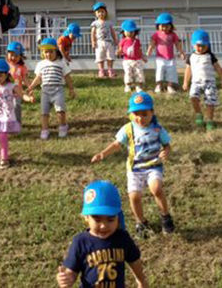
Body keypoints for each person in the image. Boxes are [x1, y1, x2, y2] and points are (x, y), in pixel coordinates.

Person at [91, 92, 175, 238]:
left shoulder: (157, 129)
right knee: (134, 196)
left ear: (152, 113)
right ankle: (141, 222)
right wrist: (103, 153)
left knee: (156, 188)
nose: (140, 118)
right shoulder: (128, 129)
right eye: (136, 114)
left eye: (144, 114)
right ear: (130, 114)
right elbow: (117, 144)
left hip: (153, 166)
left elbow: (167, 145)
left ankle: (165, 216)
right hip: (135, 169)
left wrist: (166, 152)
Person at [56, 180, 148, 288]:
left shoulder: (122, 238)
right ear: (86, 217)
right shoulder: (81, 242)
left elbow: (134, 261)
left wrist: (141, 280)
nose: (103, 226)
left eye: (110, 220)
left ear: (118, 218)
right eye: (97, 220)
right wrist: (67, 279)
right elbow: (72, 272)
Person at [27, 37, 76, 140]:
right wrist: (31, 86)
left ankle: (62, 126)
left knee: (60, 110)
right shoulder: (41, 64)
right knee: (44, 112)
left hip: (58, 90)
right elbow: (38, 78)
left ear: (56, 51)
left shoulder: (61, 63)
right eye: (46, 52)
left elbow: (67, 77)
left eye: (51, 52)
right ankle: (45, 129)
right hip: (45, 91)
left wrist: (71, 89)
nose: (48, 54)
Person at [182, 29, 222, 131]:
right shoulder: (191, 57)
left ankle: (210, 120)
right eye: (198, 45)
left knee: (210, 102)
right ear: (193, 45)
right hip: (195, 82)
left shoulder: (210, 56)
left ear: (208, 45)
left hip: (209, 82)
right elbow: (188, 70)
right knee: (193, 97)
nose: (201, 48)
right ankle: (199, 114)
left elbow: (218, 68)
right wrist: (186, 82)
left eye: (203, 46)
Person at [146, 13, 185, 94]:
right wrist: (149, 51)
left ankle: (170, 86)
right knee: (160, 70)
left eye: (167, 26)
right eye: (162, 26)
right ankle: (159, 85)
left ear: (171, 26)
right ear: (158, 26)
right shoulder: (156, 34)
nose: (164, 28)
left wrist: (181, 52)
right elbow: (152, 43)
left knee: (171, 71)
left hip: (170, 58)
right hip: (160, 58)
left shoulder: (173, 35)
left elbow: (177, 44)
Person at [6, 41, 33, 124]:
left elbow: (25, 78)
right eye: (11, 55)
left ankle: (17, 122)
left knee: (16, 106)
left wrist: (30, 87)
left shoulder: (22, 67)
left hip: (17, 92)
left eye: (16, 56)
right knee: (6, 107)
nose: (13, 57)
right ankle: (7, 121)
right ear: (7, 55)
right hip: (6, 91)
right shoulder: (5, 65)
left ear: (21, 56)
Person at [117, 20, 148, 93]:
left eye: (132, 31)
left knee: (139, 72)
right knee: (128, 72)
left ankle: (138, 85)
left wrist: (143, 57)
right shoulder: (123, 41)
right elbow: (120, 49)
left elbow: (139, 50)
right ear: (123, 32)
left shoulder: (137, 41)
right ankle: (128, 85)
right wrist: (118, 52)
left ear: (135, 32)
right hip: (127, 60)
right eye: (127, 31)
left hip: (137, 60)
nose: (130, 33)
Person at [91, 2, 118, 78]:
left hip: (109, 42)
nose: (101, 13)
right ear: (95, 14)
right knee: (100, 57)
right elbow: (93, 33)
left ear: (106, 12)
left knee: (110, 56)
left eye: (102, 11)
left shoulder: (109, 23)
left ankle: (110, 70)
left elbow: (112, 32)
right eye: (98, 12)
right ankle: (101, 70)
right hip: (99, 42)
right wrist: (93, 41)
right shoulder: (95, 23)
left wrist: (115, 39)